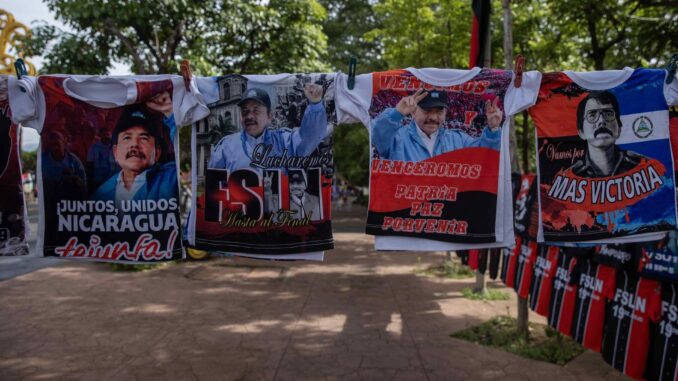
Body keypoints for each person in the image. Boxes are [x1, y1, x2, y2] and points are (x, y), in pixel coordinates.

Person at [208, 84, 327, 173]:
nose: (249, 116)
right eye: (245, 111)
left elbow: (308, 139)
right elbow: (214, 186)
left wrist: (315, 104)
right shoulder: (225, 147)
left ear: (269, 116)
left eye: (256, 110)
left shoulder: (285, 141)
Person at [371, 88, 504, 162]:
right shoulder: (397, 139)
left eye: (439, 111)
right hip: (406, 210)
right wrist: (396, 113)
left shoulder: (459, 140)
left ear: (446, 113)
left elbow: (483, 156)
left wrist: (493, 129)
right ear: (413, 112)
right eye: (427, 111)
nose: (433, 117)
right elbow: (378, 135)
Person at [92, 106, 177, 203]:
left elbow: (189, 158)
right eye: (127, 138)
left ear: (157, 153)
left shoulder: (172, 181)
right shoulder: (99, 196)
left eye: (144, 138)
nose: (135, 144)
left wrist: (169, 112)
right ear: (115, 152)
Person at [568, 91, 645, 177]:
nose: (601, 121)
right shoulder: (570, 176)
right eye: (592, 116)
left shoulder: (642, 165)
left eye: (608, 114)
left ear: (619, 129)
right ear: (581, 132)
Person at [41, 130, 87, 201]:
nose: (55, 147)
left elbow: (83, 180)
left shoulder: (73, 160)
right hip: (52, 198)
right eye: (53, 145)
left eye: (57, 144)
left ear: (63, 144)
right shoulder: (43, 160)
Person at [86, 123, 118, 190]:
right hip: (98, 180)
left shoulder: (116, 148)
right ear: (100, 136)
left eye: (108, 134)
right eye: (104, 135)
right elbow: (89, 165)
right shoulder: (94, 148)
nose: (106, 137)